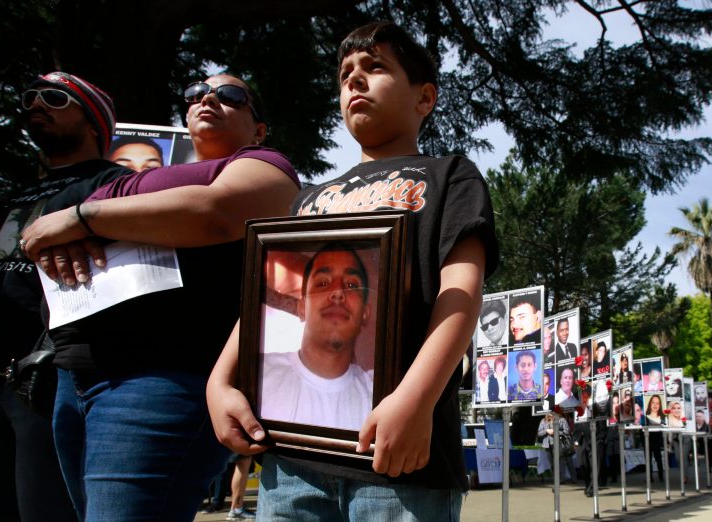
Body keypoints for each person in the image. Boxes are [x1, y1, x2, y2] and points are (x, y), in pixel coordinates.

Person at [206, 21, 498, 521]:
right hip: (291, 461)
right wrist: (219, 382)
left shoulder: (451, 175)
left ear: (424, 98)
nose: (355, 81)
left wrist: (414, 400)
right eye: (345, 75)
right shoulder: (309, 199)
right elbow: (262, 301)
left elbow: (461, 294)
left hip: (400, 464)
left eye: (375, 67)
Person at [21, 74, 300, 521]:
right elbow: (42, 236)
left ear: (259, 129)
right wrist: (74, 229)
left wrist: (83, 219)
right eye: (195, 94)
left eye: (230, 96)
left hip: (159, 379)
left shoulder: (263, 164)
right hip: (74, 379)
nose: (208, 99)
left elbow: (216, 213)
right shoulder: (126, 181)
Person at [0, 71, 128, 522]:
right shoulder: (13, 194)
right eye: (29, 97)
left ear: (94, 122)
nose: (35, 105)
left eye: (53, 99)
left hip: (48, 380)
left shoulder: (113, 185)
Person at [259, 245, 374, 431]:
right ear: (302, 307)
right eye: (322, 283)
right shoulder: (259, 377)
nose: (338, 292)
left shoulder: (380, 399)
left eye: (351, 285)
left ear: (365, 314)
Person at [537, 412, 573, 482]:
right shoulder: (543, 421)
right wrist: (546, 431)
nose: (550, 414)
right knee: (551, 463)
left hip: (558, 444)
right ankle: (556, 479)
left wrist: (555, 432)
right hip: (547, 445)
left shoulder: (561, 420)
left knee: (559, 462)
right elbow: (539, 433)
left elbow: (567, 431)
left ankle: (562, 479)